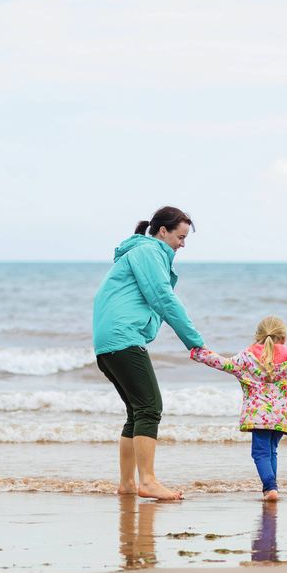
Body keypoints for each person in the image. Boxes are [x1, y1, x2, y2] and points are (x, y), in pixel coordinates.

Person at [93, 206, 205, 501]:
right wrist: (194, 342)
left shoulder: (141, 252)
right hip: (122, 338)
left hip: (108, 342)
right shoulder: (149, 252)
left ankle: (128, 483)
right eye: (180, 237)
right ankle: (149, 481)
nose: (182, 244)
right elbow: (162, 297)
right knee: (150, 408)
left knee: (136, 412)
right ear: (162, 231)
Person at [190, 315, 287, 501]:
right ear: (283, 338)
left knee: (260, 452)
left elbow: (224, 363)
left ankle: (270, 488)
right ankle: (271, 488)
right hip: (282, 416)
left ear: (257, 336)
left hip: (258, 416)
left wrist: (200, 353)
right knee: (271, 451)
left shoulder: (247, 356)